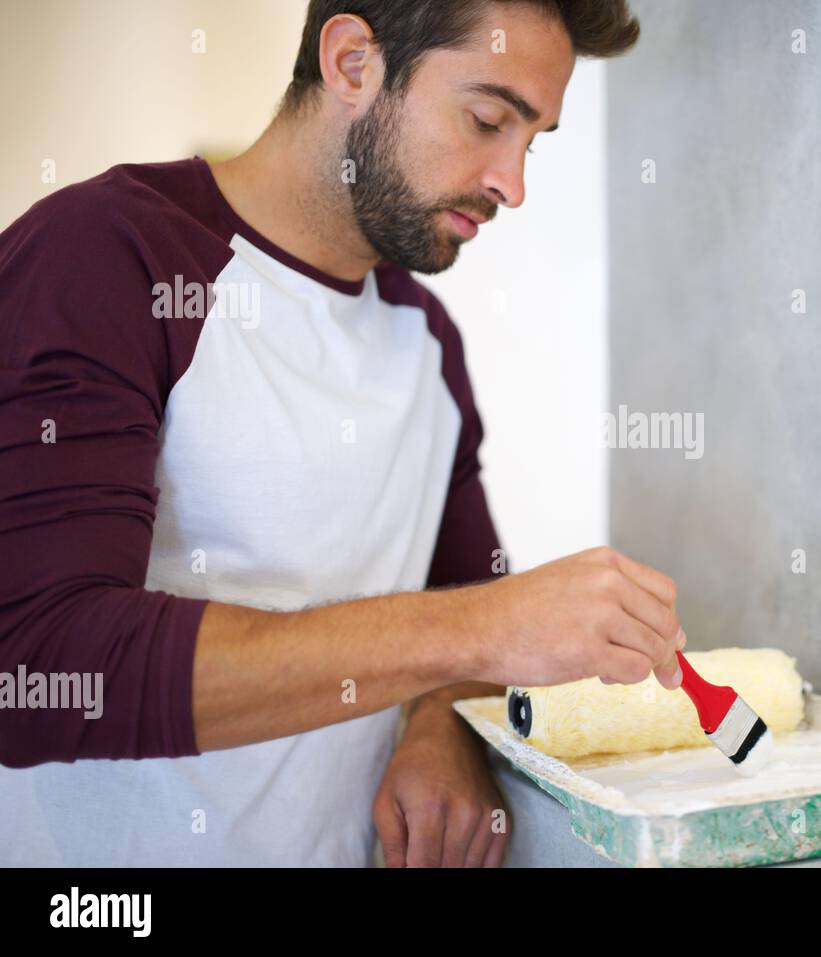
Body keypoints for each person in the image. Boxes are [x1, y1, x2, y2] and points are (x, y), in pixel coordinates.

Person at [0, 0, 682, 868]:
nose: (513, 182)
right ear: (354, 62)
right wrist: (480, 631)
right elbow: (37, 668)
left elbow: (467, 601)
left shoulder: (425, 339)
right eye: (487, 120)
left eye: (533, 141)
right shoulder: (103, 254)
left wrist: (443, 726)